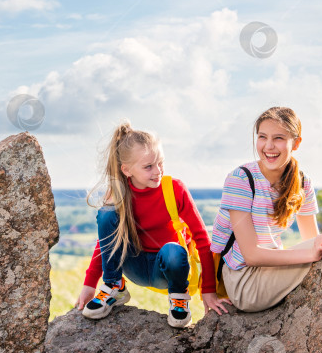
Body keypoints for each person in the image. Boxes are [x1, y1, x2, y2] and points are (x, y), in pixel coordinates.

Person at [76, 121, 227, 328]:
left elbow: (202, 239)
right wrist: (89, 284)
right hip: (133, 264)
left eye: (160, 163)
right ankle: (114, 287)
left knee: (173, 251)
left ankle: (179, 298)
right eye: (148, 167)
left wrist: (209, 289)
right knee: (106, 214)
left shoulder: (175, 189)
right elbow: (106, 241)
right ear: (127, 170)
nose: (158, 171)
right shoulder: (119, 193)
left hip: (166, 268)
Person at [211, 107, 322, 313]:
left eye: (278, 138)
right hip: (245, 282)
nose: (268, 146)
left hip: (272, 270)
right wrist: (311, 254)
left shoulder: (303, 182)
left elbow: (311, 238)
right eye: (262, 137)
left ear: (296, 143)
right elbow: (251, 255)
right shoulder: (241, 179)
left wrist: (315, 250)